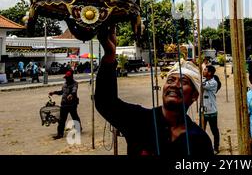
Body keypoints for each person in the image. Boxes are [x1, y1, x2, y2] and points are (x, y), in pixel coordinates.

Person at [95, 25, 213, 156]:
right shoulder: (139, 120)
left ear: (195, 95)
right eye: (170, 80)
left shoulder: (199, 141)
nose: (174, 85)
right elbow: (105, 102)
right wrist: (110, 55)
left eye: (183, 82)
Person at [49, 69, 81, 139]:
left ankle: (78, 129)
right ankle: (60, 134)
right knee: (62, 120)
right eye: (66, 78)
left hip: (72, 104)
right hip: (64, 104)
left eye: (67, 78)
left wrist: (71, 95)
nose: (66, 79)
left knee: (75, 117)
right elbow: (61, 92)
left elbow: (74, 91)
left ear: (71, 77)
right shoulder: (64, 84)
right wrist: (54, 92)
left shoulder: (75, 83)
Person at [202, 65, 220, 154]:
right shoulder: (205, 80)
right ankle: (203, 147)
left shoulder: (213, 83)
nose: (203, 71)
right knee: (201, 130)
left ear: (209, 73)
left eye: (205, 70)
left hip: (211, 111)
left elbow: (202, 85)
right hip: (203, 111)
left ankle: (216, 147)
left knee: (214, 130)